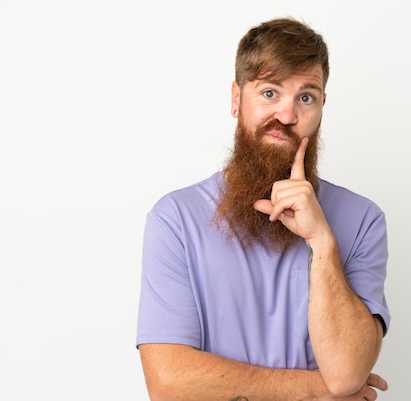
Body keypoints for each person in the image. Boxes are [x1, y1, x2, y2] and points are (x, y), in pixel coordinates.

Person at [136, 17, 390, 401]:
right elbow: (169, 383)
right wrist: (315, 390)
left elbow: (345, 374)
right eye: (270, 93)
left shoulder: (363, 220)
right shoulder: (175, 220)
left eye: (306, 97)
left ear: (322, 106)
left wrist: (322, 243)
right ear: (237, 99)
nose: (287, 116)